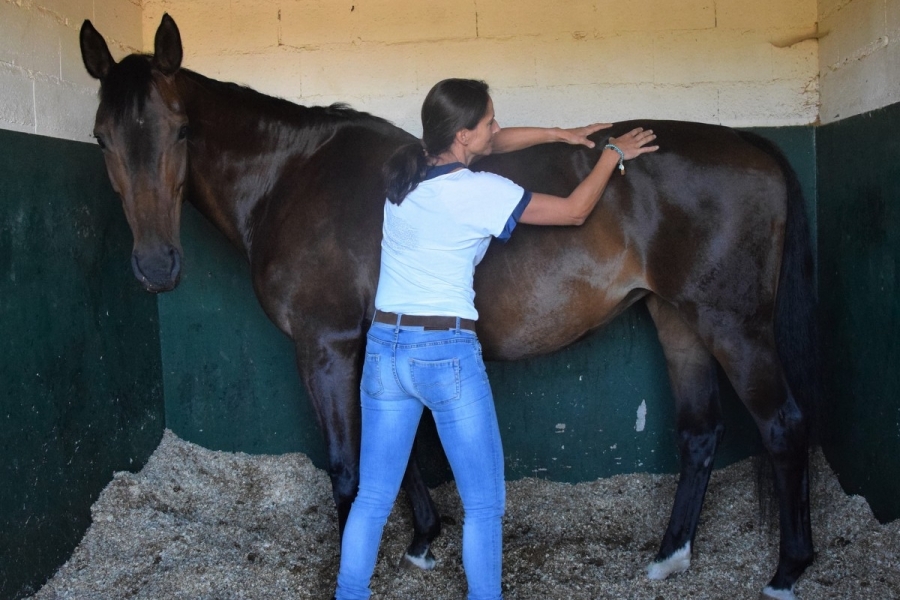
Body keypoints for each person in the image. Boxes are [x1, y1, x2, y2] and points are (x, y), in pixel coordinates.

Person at [335, 78, 658, 600]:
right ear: (463, 136)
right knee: (484, 504)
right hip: (446, 356)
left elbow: (491, 144)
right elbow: (575, 210)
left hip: (385, 352)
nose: (498, 129)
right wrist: (611, 155)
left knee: (373, 497)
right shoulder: (482, 192)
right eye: (489, 121)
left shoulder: (407, 167)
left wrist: (560, 132)